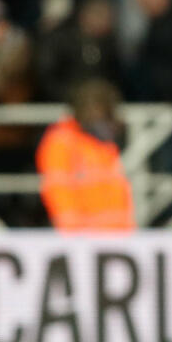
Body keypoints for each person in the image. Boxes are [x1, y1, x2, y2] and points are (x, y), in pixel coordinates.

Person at [36, 79, 135, 232]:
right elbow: (58, 191)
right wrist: (74, 235)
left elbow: (117, 192)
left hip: (114, 237)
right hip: (83, 240)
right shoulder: (61, 141)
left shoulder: (103, 144)